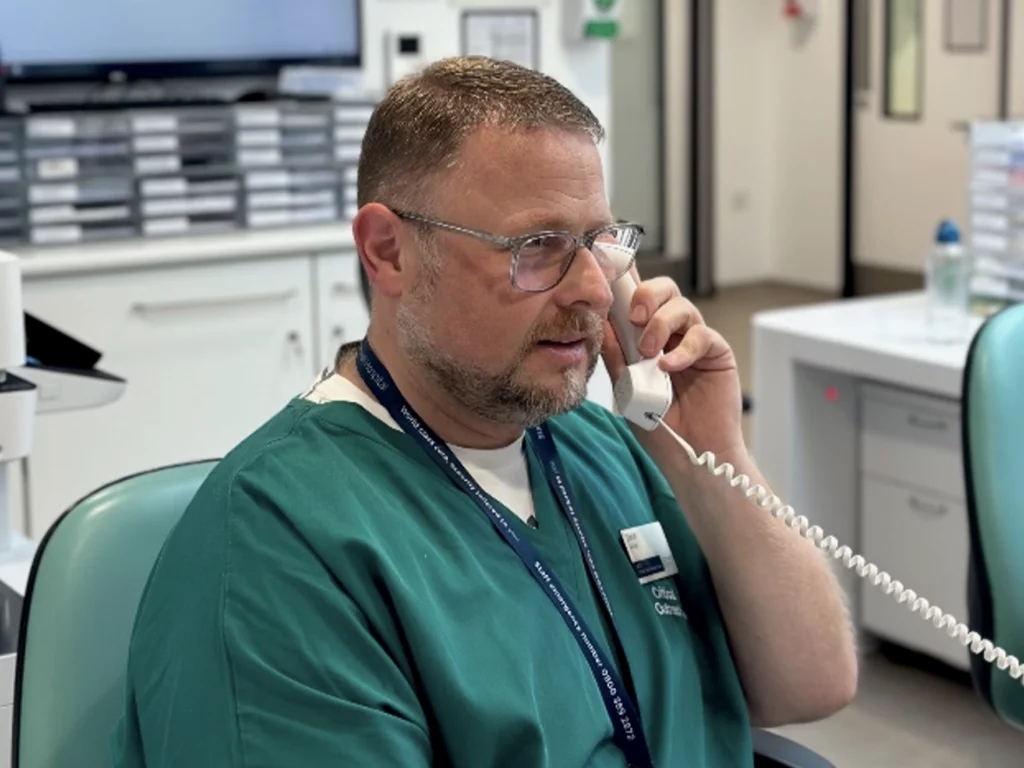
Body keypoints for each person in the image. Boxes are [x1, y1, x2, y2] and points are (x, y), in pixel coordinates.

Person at [113, 56, 857, 767]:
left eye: (599, 243)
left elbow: (811, 685)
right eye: (538, 247)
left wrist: (711, 455)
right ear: (390, 252)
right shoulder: (276, 544)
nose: (597, 293)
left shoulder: (603, 444)